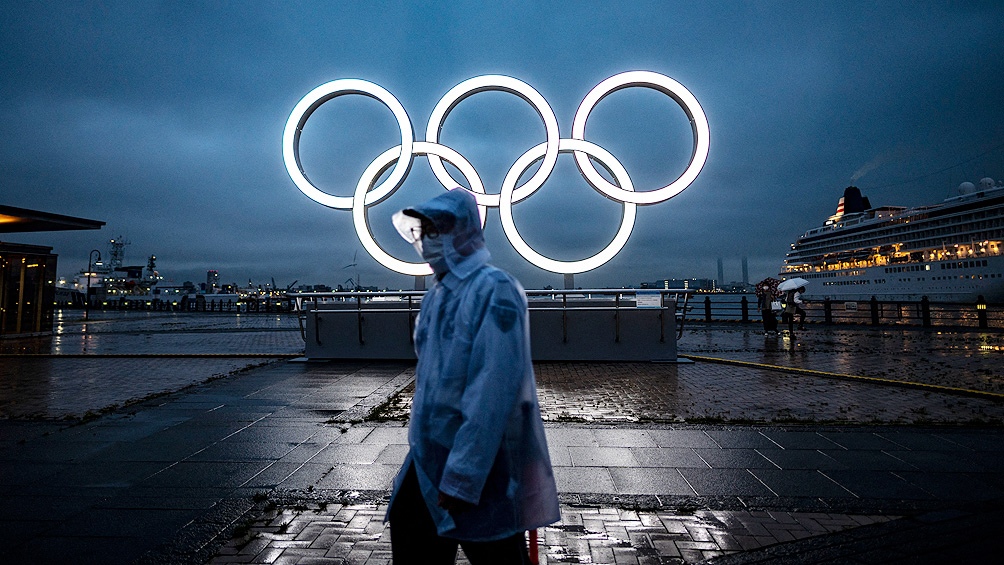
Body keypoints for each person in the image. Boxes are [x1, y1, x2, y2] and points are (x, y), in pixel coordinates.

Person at [386, 188, 560, 565]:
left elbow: (493, 389)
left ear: (462, 231)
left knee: (495, 552)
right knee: (414, 536)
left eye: (437, 231)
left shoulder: (494, 290)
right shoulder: (438, 296)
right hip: (429, 459)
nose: (427, 242)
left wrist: (464, 476)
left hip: (482, 465)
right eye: (424, 232)